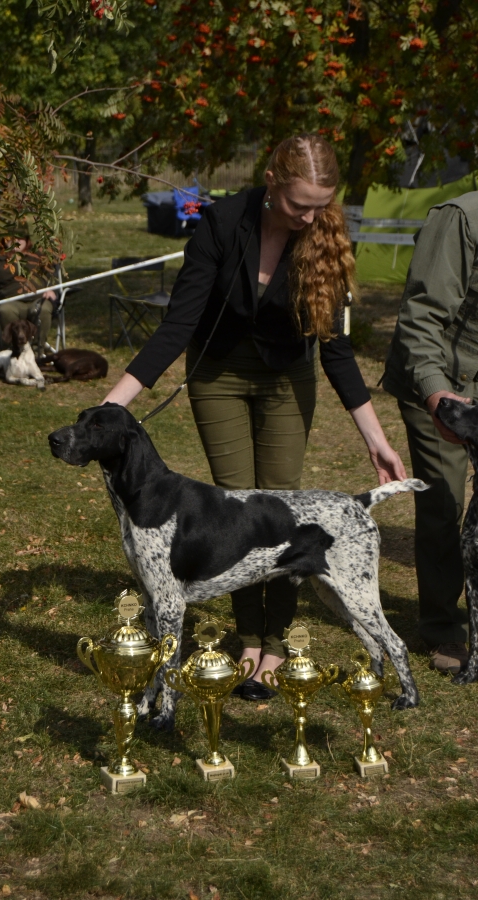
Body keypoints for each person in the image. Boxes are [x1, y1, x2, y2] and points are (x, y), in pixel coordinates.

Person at [102, 133, 406, 700]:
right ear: (271, 182)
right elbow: (178, 325)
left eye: (320, 206)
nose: (310, 217)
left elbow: (337, 350)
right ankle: (247, 641)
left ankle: (276, 643)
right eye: (298, 205)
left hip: (287, 379)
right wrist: (113, 405)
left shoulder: (324, 234)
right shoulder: (221, 224)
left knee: (282, 508)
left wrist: (376, 440)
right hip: (218, 375)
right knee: (235, 510)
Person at [382, 191, 478, 675]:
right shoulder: (461, 218)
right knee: (444, 503)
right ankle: (443, 627)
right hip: (439, 379)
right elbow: (420, 318)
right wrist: (437, 395)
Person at [0, 227, 58, 354]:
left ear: (27, 240)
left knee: (44, 309)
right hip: (10, 301)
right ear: (4, 240)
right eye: (11, 238)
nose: (16, 241)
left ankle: (36, 353)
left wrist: (52, 290)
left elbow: (55, 276)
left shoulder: (39, 257)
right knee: (5, 310)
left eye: (20, 238)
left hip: (38, 299)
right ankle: (14, 352)